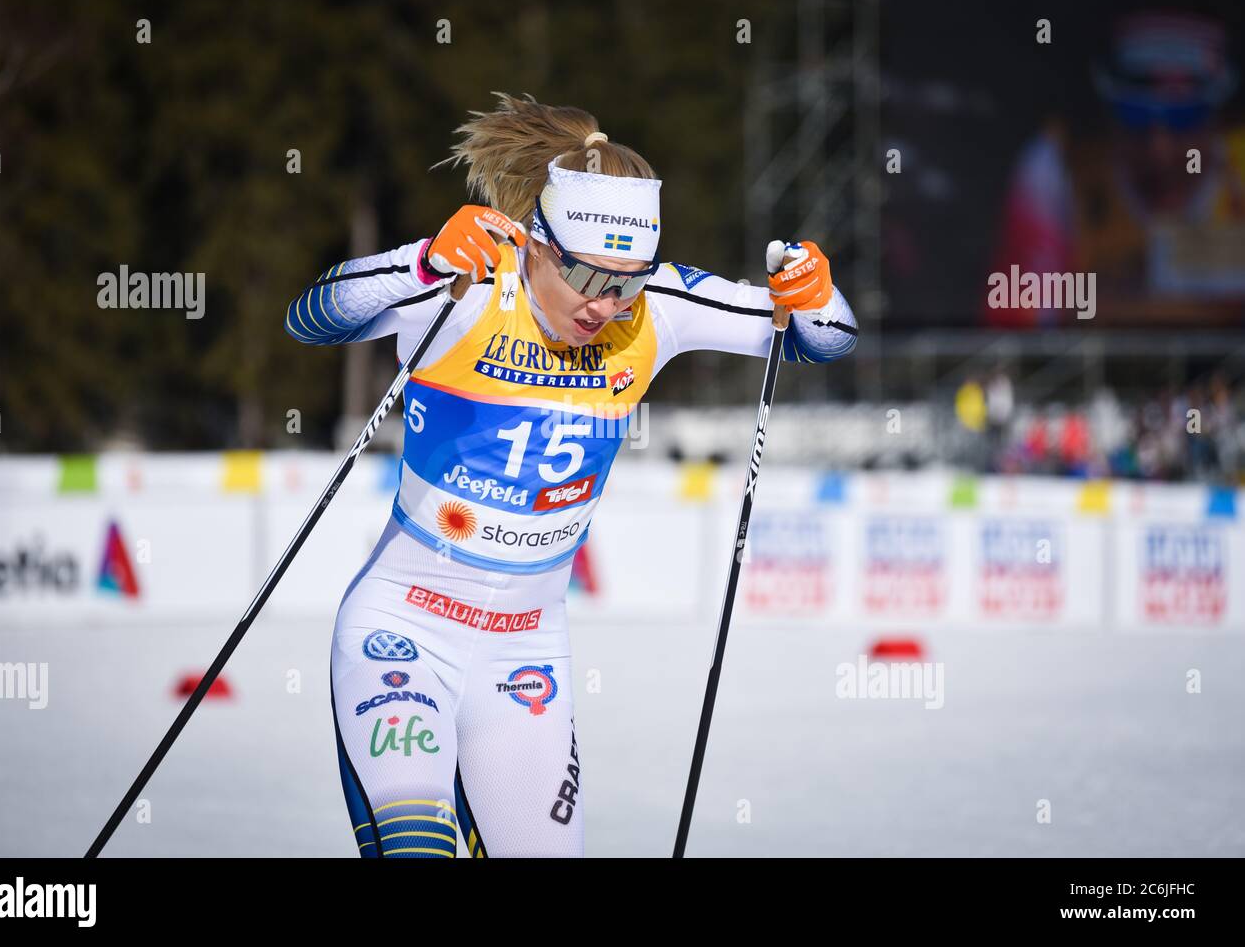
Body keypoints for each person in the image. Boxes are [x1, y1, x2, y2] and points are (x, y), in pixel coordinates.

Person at [284, 93, 858, 858]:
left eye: (627, 282)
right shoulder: (473, 288)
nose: (605, 305)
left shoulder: (658, 309)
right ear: (539, 242)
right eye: (587, 276)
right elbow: (311, 315)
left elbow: (823, 339)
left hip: (525, 659)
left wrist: (812, 291)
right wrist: (419, 264)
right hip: (403, 632)